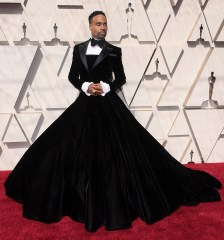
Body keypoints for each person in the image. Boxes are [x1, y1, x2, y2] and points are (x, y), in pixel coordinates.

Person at [5, 10, 221, 232]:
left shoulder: (114, 51)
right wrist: (86, 87)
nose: (102, 27)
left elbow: (122, 78)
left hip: (108, 105)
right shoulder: (78, 49)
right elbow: (72, 76)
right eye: (98, 24)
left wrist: (106, 87)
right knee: (59, 146)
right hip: (84, 103)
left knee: (117, 152)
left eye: (105, 24)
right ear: (90, 26)